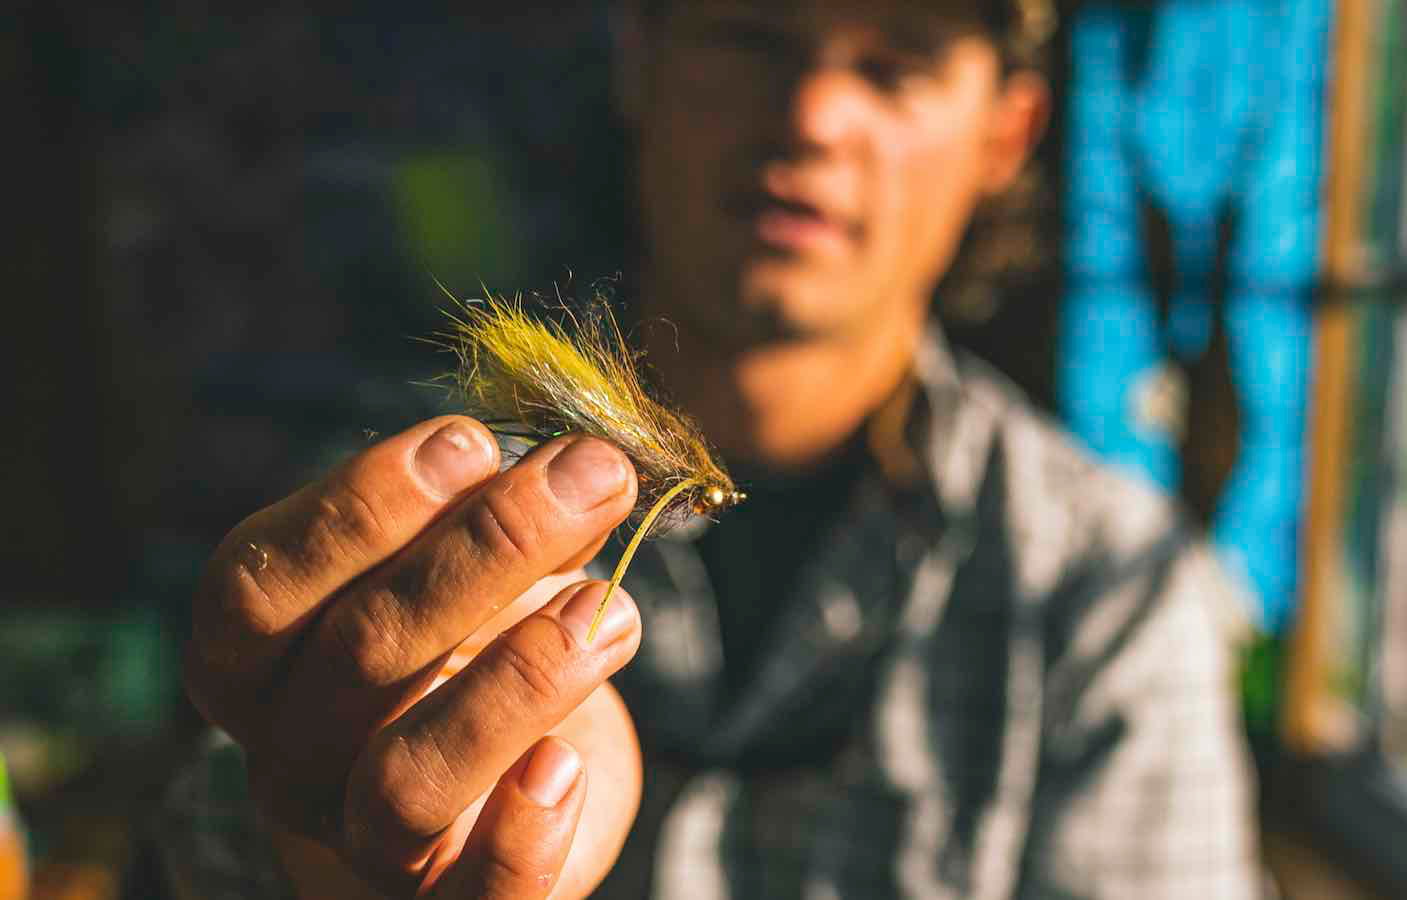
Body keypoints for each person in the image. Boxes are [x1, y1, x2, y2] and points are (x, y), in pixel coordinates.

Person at [169, 1, 1262, 897]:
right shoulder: (408, 496)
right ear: (639, 56)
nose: (815, 116)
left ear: (1003, 136)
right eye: (754, 37)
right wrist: (323, 852)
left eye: (896, 68)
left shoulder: (1116, 595)